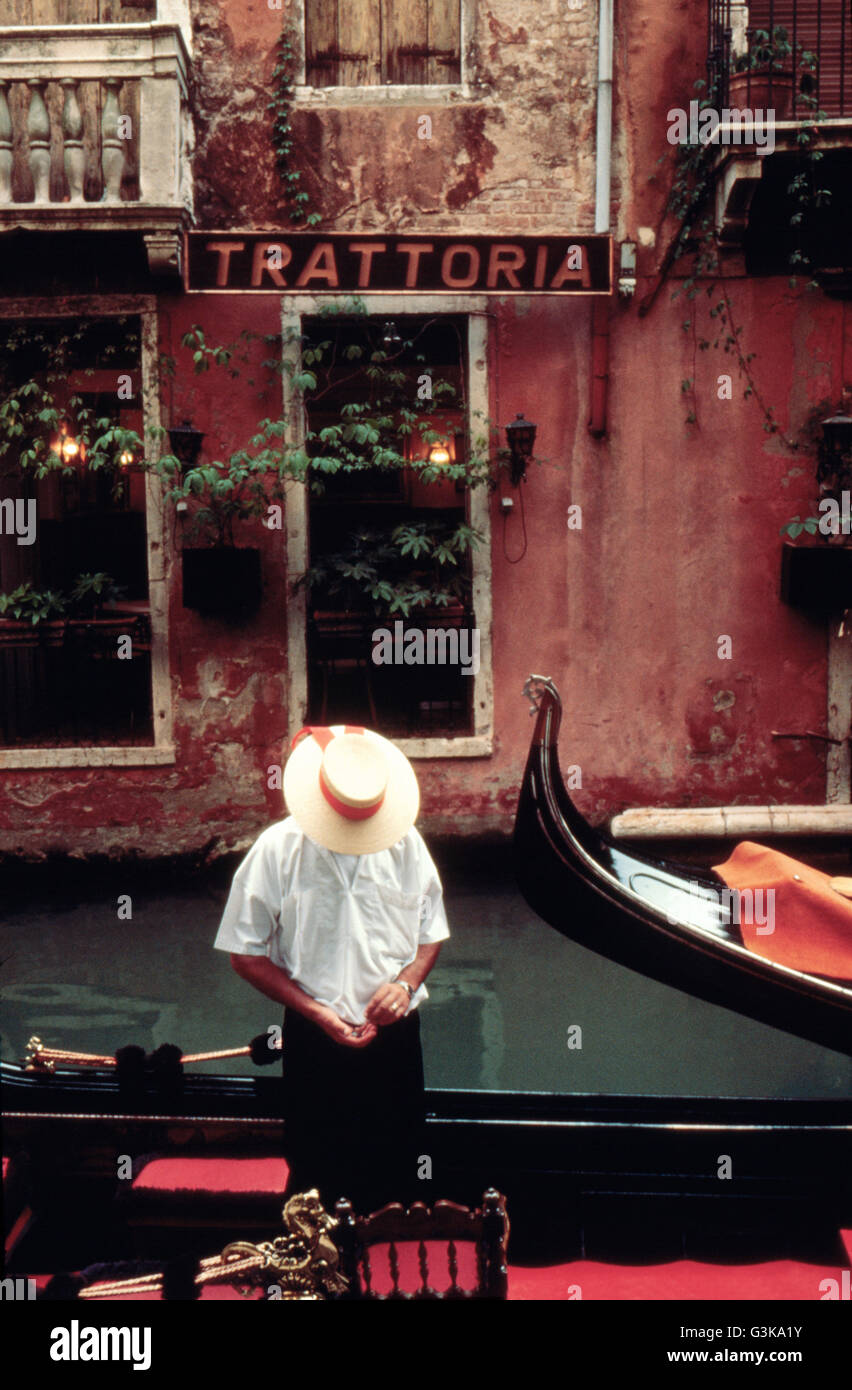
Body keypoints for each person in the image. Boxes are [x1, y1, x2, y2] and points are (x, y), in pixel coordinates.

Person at [214, 723, 449, 1212]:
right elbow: (245, 954)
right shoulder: (276, 851)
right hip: (313, 1038)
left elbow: (431, 936)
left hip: (395, 1038)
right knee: (315, 1177)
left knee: (400, 1169)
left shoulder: (407, 845)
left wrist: (405, 985)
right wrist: (319, 1013)